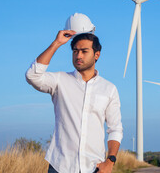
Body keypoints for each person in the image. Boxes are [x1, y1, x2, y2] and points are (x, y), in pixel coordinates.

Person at [25, 30, 123, 173]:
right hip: (60, 166)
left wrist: (110, 161)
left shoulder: (109, 89)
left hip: (94, 167)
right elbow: (32, 76)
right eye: (75, 51)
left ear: (97, 55)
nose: (78, 55)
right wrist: (57, 43)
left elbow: (115, 129)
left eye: (84, 51)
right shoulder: (60, 80)